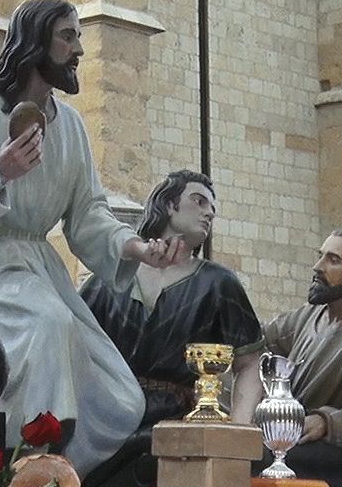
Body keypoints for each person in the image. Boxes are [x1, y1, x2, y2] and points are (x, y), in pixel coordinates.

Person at [0, 0, 184, 473]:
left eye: (78, 37)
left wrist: (140, 248)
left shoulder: (69, 126)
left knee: (118, 392)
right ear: (35, 41)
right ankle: (30, 465)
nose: (79, 50)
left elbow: (89, 215)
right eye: (68, 36)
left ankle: (53, 476)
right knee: (50, 327)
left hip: (36, 269)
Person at [81, 169, 261, 428]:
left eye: (212, 208)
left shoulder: (218, 283)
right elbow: (73, 341)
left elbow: (249, 363)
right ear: (168, 204)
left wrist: (238, 430)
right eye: (199, 201)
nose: (209, 212)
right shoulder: (110, 279)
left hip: (180, 423)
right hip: (107, 419)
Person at [232, 231, 342, 457]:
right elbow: (256, 339)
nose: (318, 266)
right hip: (277, 434)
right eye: (320, 256)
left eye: (333, 260)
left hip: (314, 455)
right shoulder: (311, 315)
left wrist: (325, 422)